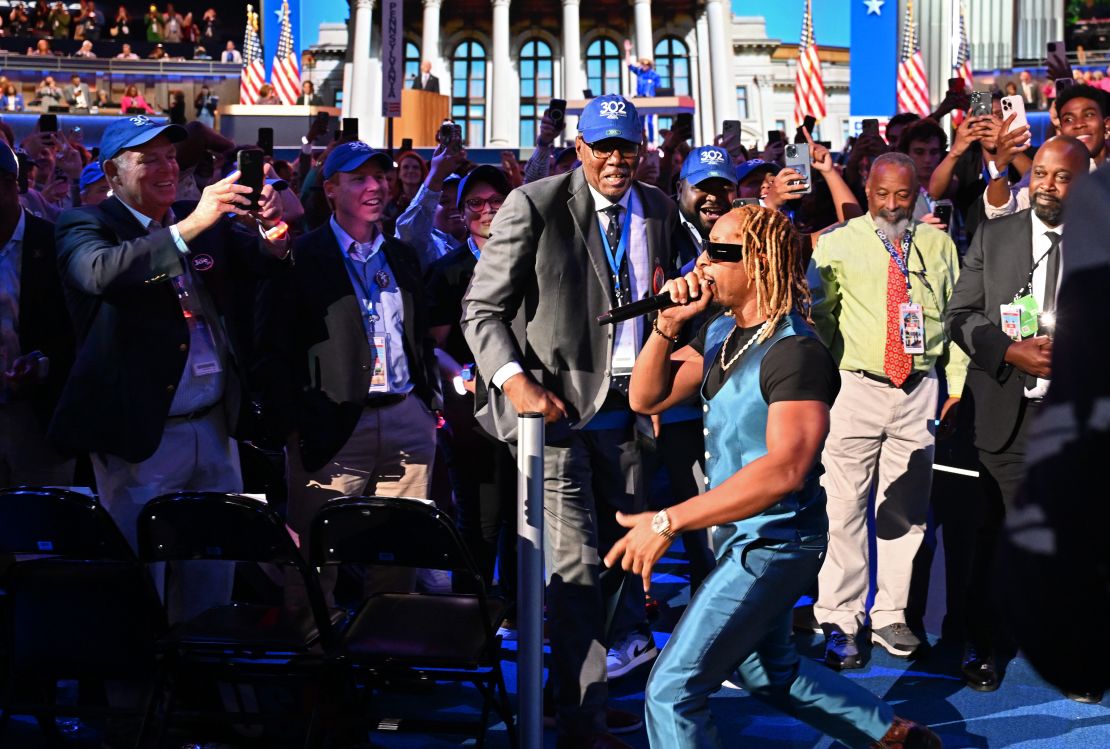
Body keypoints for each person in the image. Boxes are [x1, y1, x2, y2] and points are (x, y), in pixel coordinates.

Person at [607, 204, 942, 749]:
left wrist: (668, 520)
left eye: (719, 251)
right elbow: (648, 396)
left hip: (774, 544)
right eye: (706, 248)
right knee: (768, 672)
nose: (703, 263)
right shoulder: (721, 331)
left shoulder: (796, 352)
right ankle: (893, 736)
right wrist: (666, 325)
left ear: (760, 261)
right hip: (739, 539)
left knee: (670, 690)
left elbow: (786, 469)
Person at [462, 94, 678, 748]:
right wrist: (516, 381)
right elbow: (480, 311)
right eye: (603, 147)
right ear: (578, 148)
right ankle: (580, 725)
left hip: (632, 416)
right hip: (554, 416)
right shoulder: (533, 203)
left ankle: (581, 697)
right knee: (578, 570)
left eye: (627, 147)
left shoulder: (661, 210)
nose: (615, 160)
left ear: (644, 150)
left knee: (620, 566)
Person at [50, 115, 290, 621]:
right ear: (112, 174)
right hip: (142, 437)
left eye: (170, 156)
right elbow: (100, 274)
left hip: (214, 425)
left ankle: (203, 685)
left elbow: (262, 262)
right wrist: (189, 228)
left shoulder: (193, 219)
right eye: (148, 158)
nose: (166, 168)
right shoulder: (85, 223)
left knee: (213, 575)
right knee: (139, 584)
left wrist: (272, 233)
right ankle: (137, 693)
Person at [944, 136, 1091, 696]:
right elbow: (960, 315)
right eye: (1043, 175)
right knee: (998, 536)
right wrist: (1010, 351)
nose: (1049, 186)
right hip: (1007, 411)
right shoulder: (996, 233)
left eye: (1063, 178)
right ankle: (985, 646)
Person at [809, 151, 967, 670]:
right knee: (844, 504)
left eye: (903, 195)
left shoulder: (939, 245)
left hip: (919, 388)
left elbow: (957, 315)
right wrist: (826, 377)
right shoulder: (837, 244)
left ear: (918, 190)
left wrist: (957, 385)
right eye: (882, 195)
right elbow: (822, 316)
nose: (893, 205)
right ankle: (840, 616)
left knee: (906, 508)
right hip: (854, 386)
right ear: (866, 188)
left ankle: (891, 613)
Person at [272, 141, 441, 604]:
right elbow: (273, 347)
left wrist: (427, 404)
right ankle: (314, 659)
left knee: (399, 552)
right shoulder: (301, 257)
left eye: (380, 178)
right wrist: (297, 420)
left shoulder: (402, 255)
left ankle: (386, 655)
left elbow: (418, 334)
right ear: (330, 190)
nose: (375, 187)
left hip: (406, 419)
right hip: (333, 426)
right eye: (359, 179)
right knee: (316, 556)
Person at [425, 165, 515, 590]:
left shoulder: (527, 258)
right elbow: (432, 343)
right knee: (480, 514)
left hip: (523, 405)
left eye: (495, 201)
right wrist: (462, 374)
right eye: (476, 203)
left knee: (524, 513)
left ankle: (520, 610)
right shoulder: (448, 270)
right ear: (461, 213)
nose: (486, 211)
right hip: (471, 410)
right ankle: (472, 611)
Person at [0, 142, 75, 487]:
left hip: (38, 417)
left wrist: (42, 363)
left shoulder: (55, 243)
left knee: (39, 527)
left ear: (13, 186)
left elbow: (79, 332)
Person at [986, 83, 1109, 218]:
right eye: (1068, 119)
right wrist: (1002, 163)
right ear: (1061, 130)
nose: (1079, 124)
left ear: (1106, 124)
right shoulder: (1047, 172)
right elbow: (1000, 212)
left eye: (1089, 115)